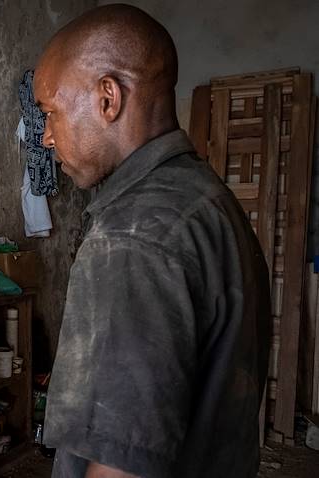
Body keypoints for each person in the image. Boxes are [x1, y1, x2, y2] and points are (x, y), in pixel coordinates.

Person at [33, 5, 270, 478]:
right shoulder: (208, 201)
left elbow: (122, 465)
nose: (46, 137)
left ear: (108, 99)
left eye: (51, 113)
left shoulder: (133, 237)